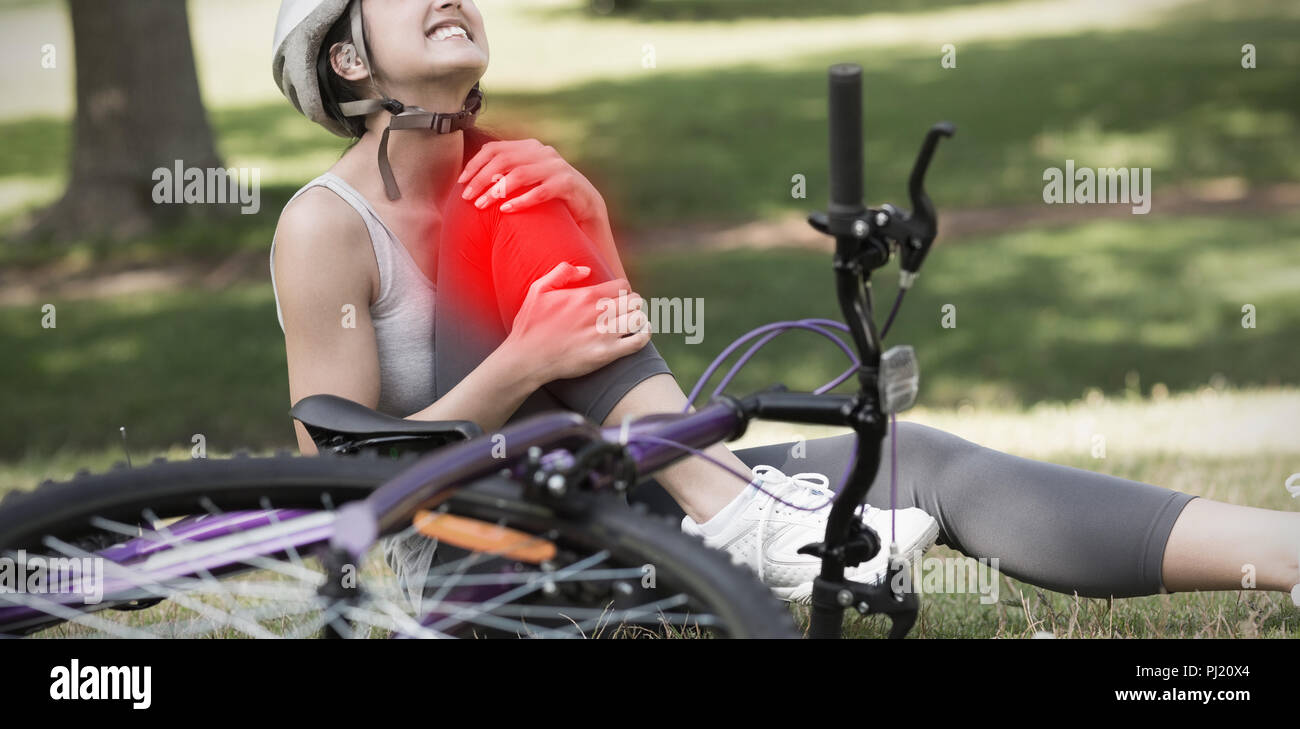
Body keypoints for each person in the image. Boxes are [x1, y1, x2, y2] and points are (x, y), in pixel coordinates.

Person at [268, 0, 1300, 612]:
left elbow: (595, 361)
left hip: (585, 498)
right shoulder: (327, 225)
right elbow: (333, 481)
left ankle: (1282, 549)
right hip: (458, 562)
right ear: (347, 60)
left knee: (908, 460)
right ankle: (734, 512)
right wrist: (522, 359)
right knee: (528, 208)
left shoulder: (514, 181)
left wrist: (590, 238)